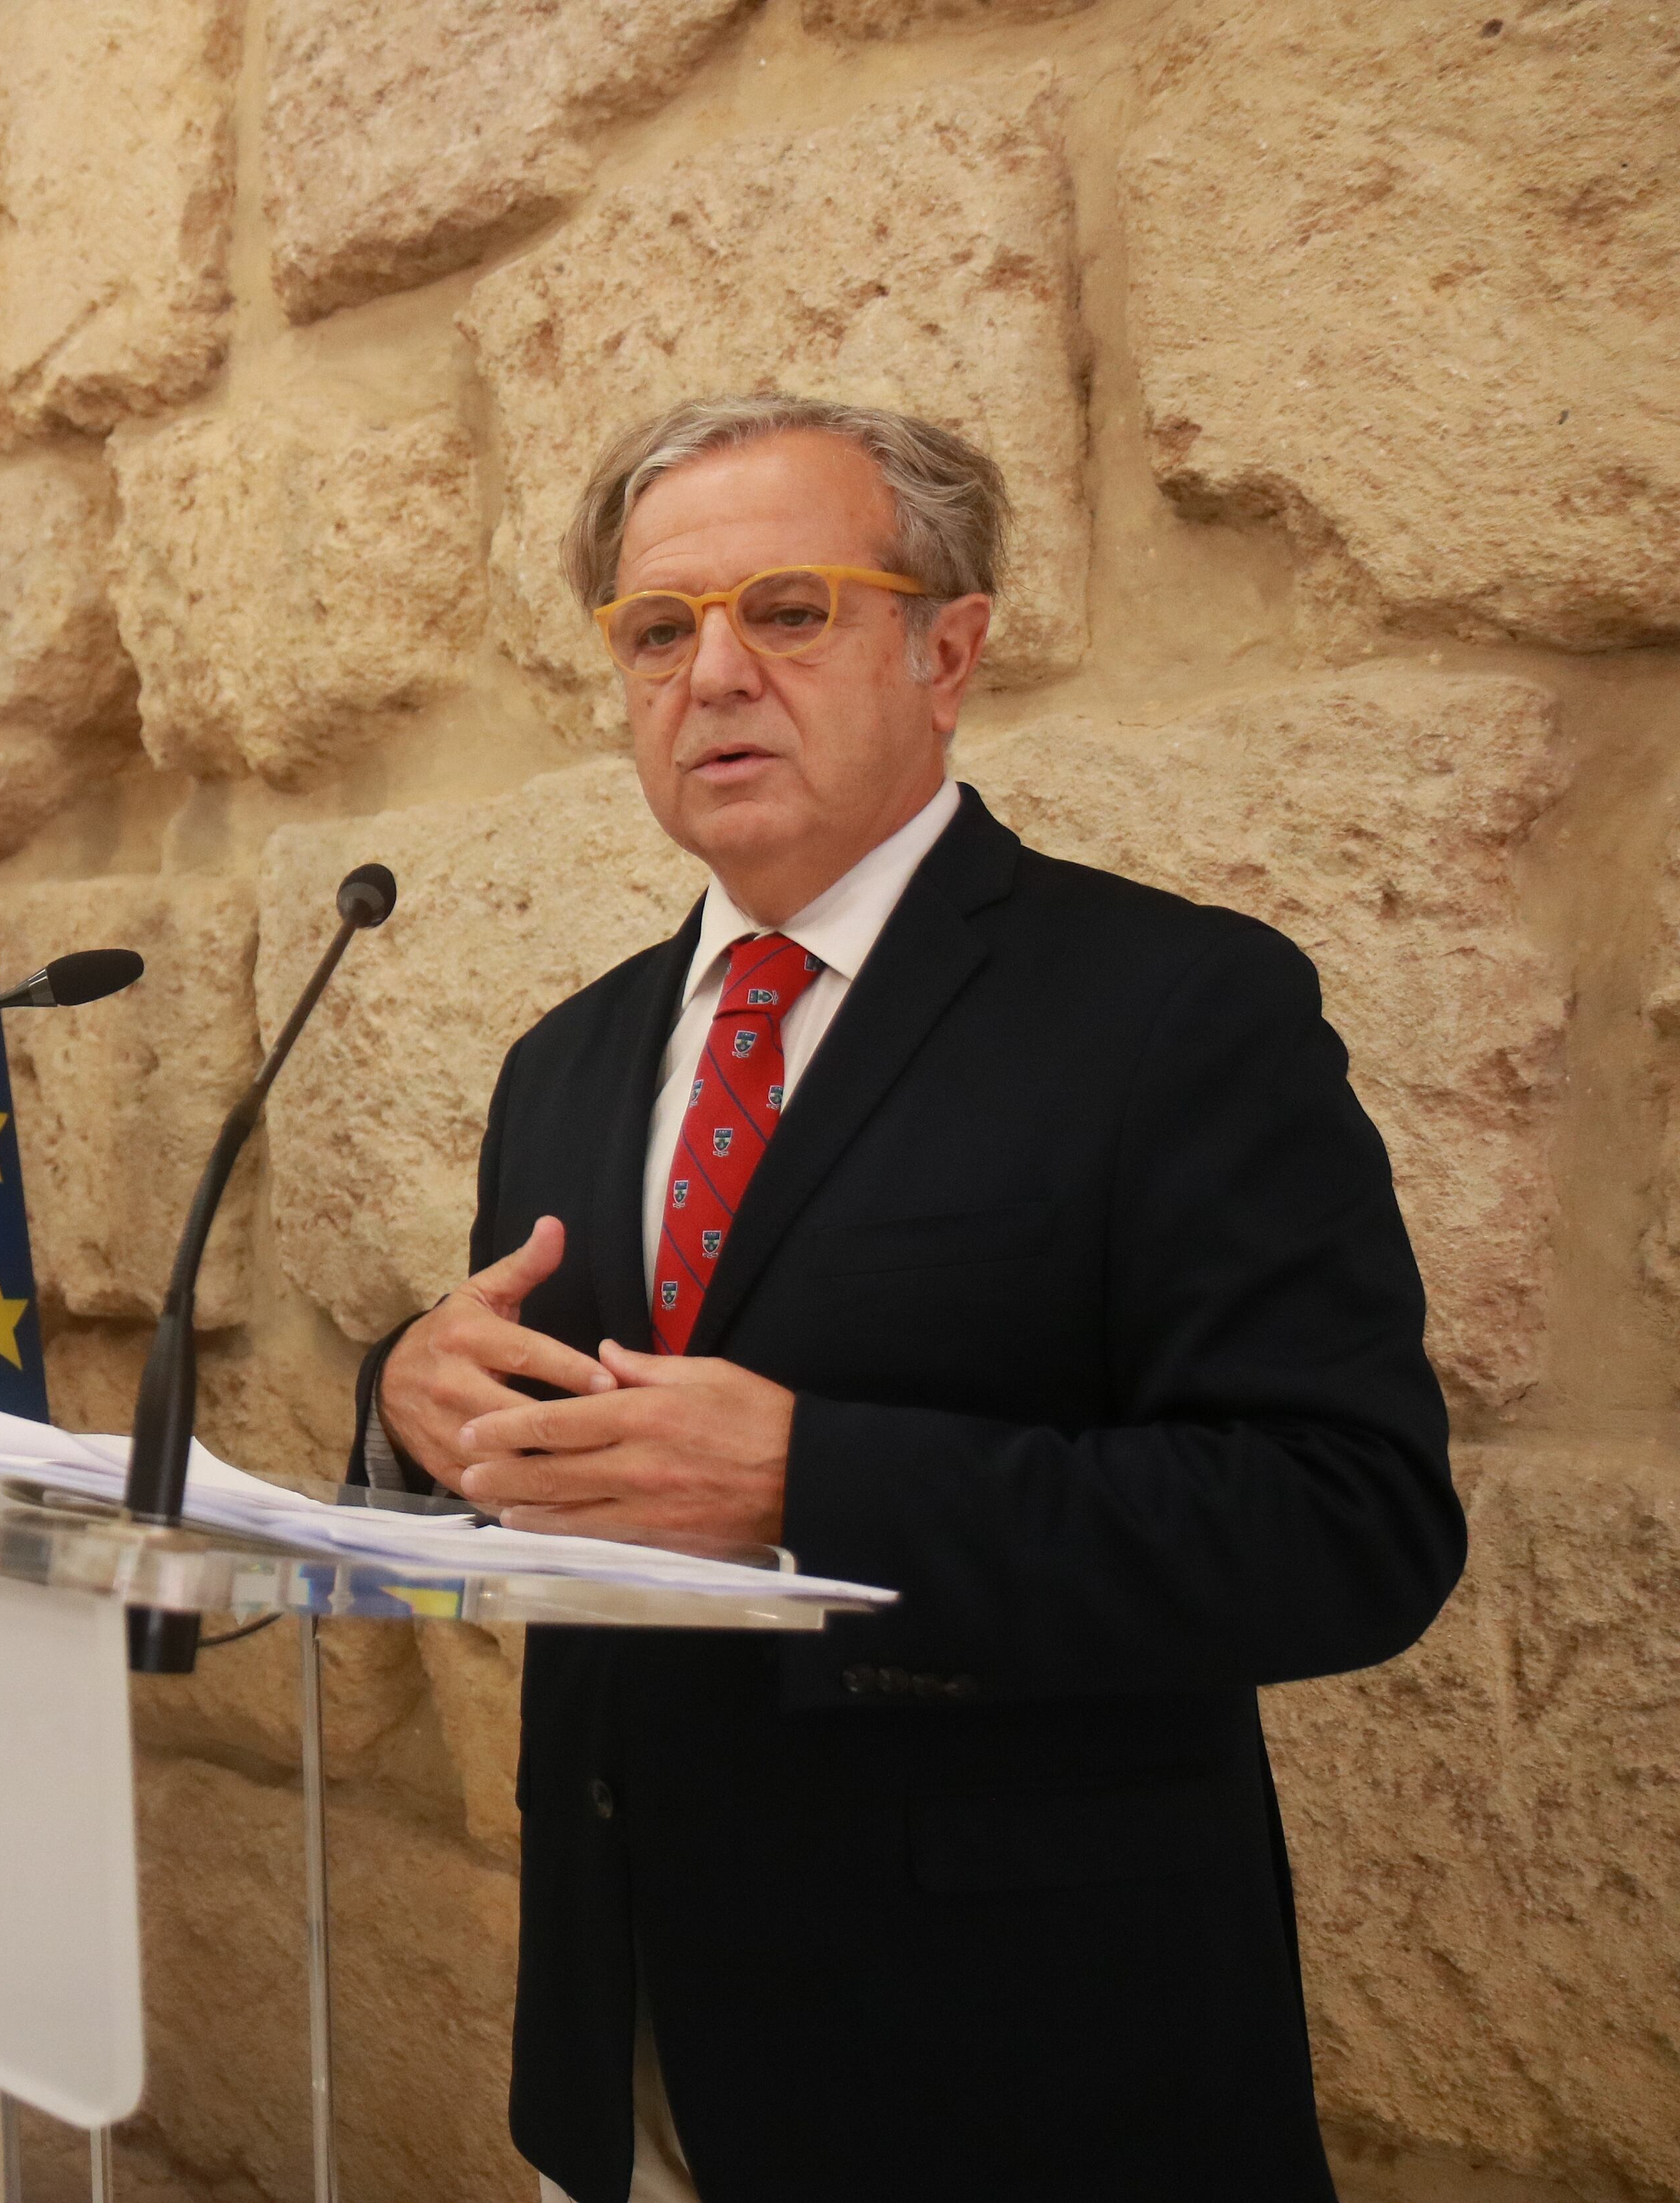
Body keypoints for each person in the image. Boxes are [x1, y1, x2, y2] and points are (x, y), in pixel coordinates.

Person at [354, 396, 1465, 2202]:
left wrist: (818, 1482)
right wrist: (410, 1400)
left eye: (787, 609)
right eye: (659, 628)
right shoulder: (567, 1059)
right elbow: (544, 1452)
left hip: (1021, 2074)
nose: (711, 675)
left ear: (950, 649)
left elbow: (1352, 1520)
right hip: (623, 2053)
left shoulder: (1176, 1006)